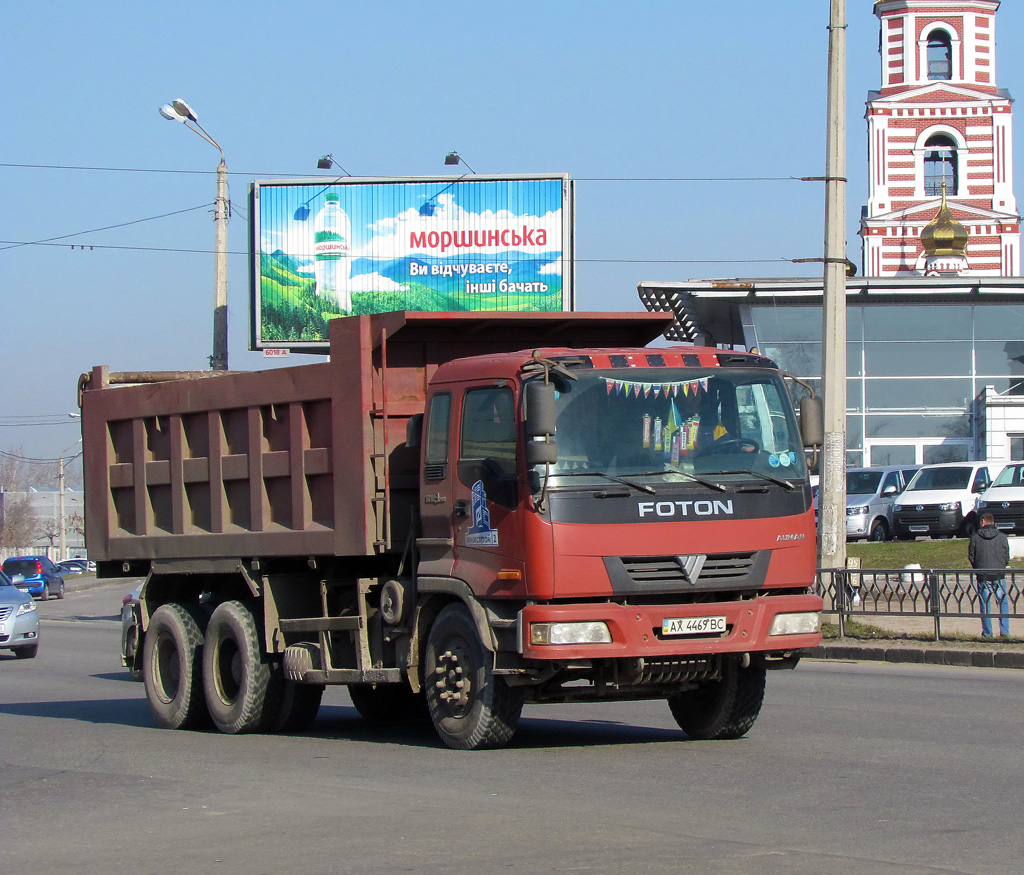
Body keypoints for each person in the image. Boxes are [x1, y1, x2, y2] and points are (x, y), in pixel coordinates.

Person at [968, 513, 1010, 638]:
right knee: (1003, 603)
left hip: (983, 574)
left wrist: (977, 568)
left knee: (985, 604)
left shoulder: (975, 537)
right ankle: (1005, 632)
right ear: (993, 522)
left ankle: (987, 633)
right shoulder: (1002, 537)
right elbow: (1006, 555)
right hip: (999, 574)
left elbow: (972, 556)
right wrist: (1001, 566)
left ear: (983, 522)